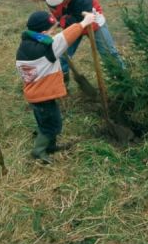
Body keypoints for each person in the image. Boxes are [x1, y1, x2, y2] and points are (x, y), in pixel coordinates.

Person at [16, 10, 96, 164]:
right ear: (44, 32)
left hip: (35, 95)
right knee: (53, 125)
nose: (54, 33)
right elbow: (65, 38)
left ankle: (50, 146)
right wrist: (85, 22)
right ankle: (38, 152)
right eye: (52, 30)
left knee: (44, 121)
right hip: (43, 96)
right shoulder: (47, 49)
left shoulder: (25, 45)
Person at [28, 0, 125, 86]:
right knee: (60, 54)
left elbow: (75, 22)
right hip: (70, 22)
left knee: (109, 54)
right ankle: (61, 85)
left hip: (91, 21)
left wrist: (55, 24)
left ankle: (123, 84)